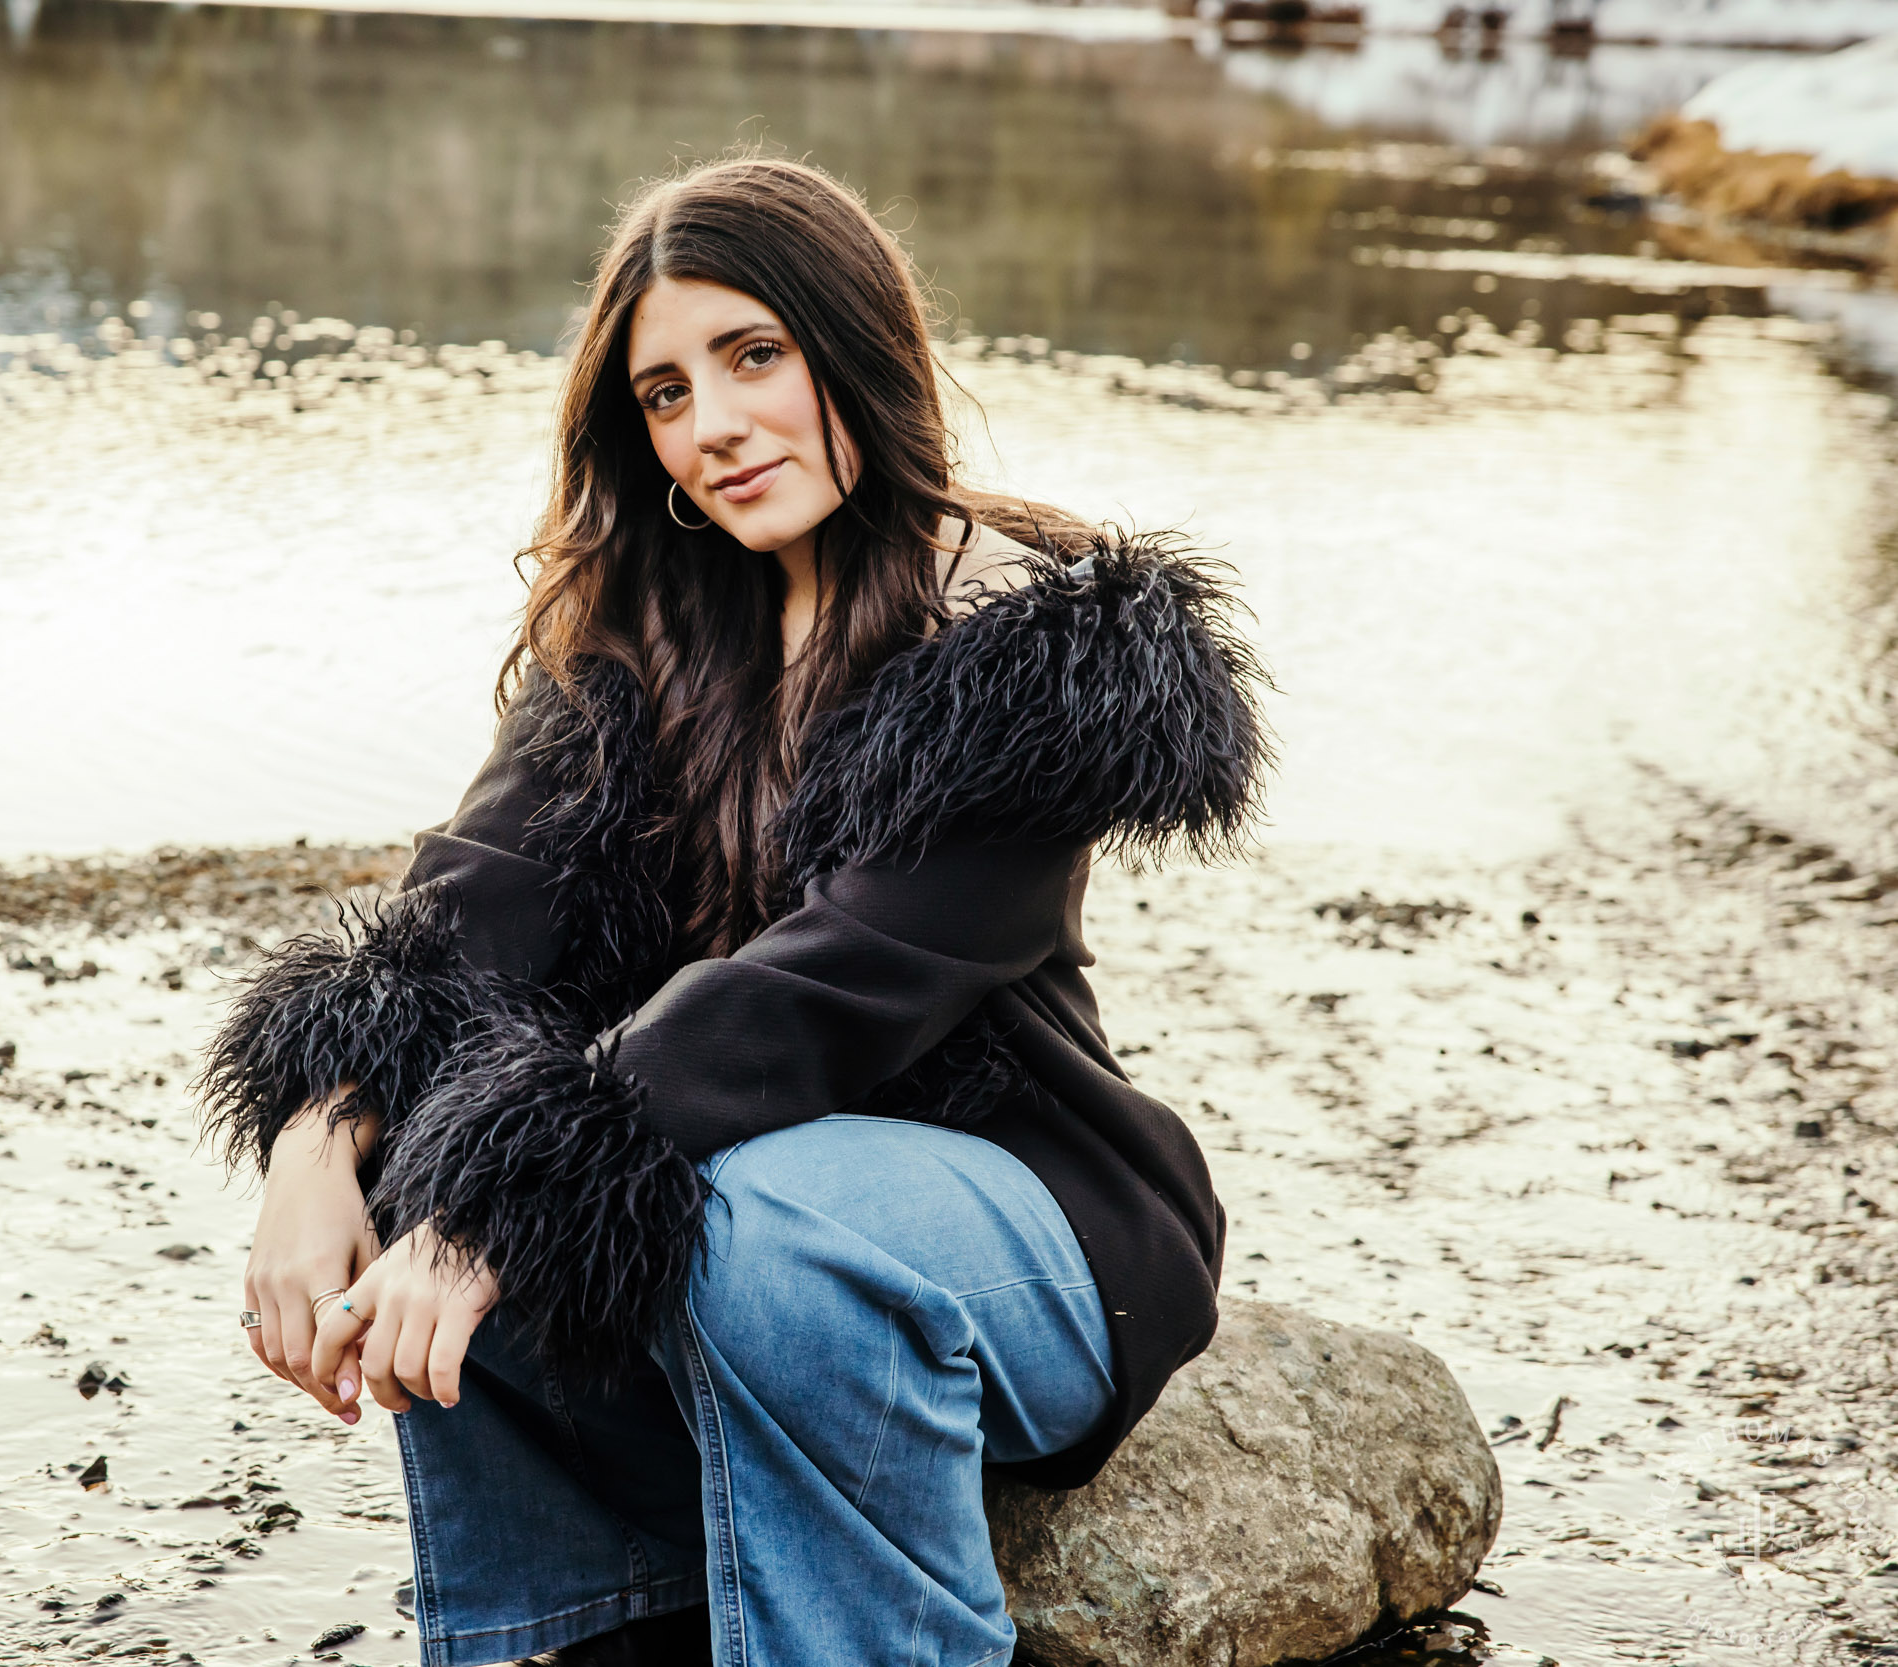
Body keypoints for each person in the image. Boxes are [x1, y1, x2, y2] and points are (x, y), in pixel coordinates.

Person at [199, 156, 1267, 1667]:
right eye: (663, 393)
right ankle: (582, 1636)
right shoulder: (643, 634)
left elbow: (830, 989)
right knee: (439, 1151)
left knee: (706, 1216)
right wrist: (320, 1142)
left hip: (1021, 1226)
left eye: (752, 355)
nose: (711, 426)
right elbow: (464, 923)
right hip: (729, 1197)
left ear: (856, 340)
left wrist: (509, 1199)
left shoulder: (1030, 642)